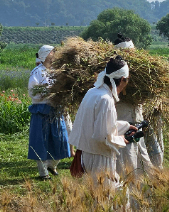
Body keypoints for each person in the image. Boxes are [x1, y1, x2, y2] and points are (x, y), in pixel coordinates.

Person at [68, 55, 137, 188]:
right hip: (100, 158)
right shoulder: (106, 99)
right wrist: (122, 139)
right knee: (108, 201)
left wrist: (126, 126)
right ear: (122, 79)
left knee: (99, 199)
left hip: (87, 155)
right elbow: (102, 136)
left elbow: (96, 125)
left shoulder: (92, 92)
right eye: (127, 80)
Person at [112, 34, 155, 176]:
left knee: (143, 165)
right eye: (131, 52)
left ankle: (142, 194)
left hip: (136, 125)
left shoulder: (138, 76)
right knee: (127, 167)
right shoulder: (114, 77)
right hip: (123, 129)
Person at [28, 45, 72, 180]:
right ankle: (43, 173)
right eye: (53, 52)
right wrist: (50, 92)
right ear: (46, 54)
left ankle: (52, 165)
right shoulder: (37, 72)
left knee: (60, 139)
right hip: (42, 110)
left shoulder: (55, 71)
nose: (54, 54)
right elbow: (33, 92)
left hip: (56, 110)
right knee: (41, 141)